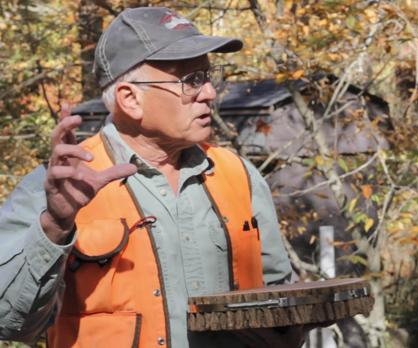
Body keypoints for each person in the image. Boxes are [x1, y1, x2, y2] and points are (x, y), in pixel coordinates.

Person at [0, 6, 307, 348]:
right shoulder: (60, 184)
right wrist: (56, 225)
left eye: (209, 76)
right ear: (130, 99)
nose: (209, 93)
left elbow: (278, 300)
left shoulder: (238, 175)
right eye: (191, 80)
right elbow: (9, 323)